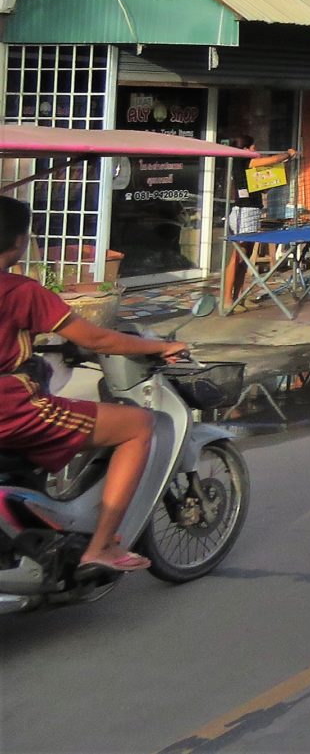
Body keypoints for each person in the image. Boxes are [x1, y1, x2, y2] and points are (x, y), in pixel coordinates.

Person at [0, 197, 188, 572]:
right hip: (12, 410)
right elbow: (98, 339)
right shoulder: (21, 291)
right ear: (20, 241)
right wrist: (160, 346)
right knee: (139, 426)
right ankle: (101, 547)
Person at [222, 138, 296, 312]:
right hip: (243, 213)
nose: (257, 151)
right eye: (254, 147)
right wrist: (287, 154)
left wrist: (280, 172)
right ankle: (227, 300)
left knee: (246, 257)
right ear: (245, 148)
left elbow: (263, 187)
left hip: (253, 212)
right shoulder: (244, 161)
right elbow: (273, 160)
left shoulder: (249, 166)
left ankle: (239, 297)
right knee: (237, 256)